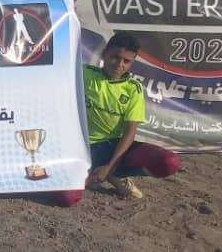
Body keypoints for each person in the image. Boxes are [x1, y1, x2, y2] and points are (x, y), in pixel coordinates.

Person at [54, 32, 181, 206]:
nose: (119, 64)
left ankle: (113, 173)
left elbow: (130, 131)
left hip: (113, 147)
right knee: (67, 198)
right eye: (115, 57)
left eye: (126, 61)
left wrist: (110, 166)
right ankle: (99, 174)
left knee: (169, 162)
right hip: (81, 148)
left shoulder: (133, 89)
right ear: (104, 54)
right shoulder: (83, 73)